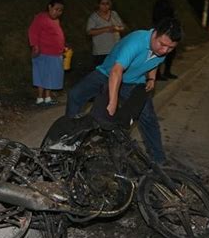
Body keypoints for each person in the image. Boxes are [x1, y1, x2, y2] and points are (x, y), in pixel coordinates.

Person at [66, 17, 183, 164]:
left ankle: (159, 161)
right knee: (75, 95)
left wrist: (151, 78)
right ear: (155, 33)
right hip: (106, 74)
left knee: (148, 118)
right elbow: (116, 71)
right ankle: (68, 141)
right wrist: (112, 101)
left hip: (134, 82)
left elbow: (154, 61)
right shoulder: (136, 41)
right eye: (163, 45)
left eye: (170, 48)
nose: (165, 50)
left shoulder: (162, 48)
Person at [28, 0, 66, 106]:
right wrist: (35, 45)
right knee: (41, 75)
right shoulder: (41, 18)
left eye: (60, 10)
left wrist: (63, 47)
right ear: (50, 7)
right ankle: (40, 97)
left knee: (51, 75)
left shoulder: (56, 21)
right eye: (56, 9)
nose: (58, 12)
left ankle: (48, 97)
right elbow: (33, 31)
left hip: (55, 54)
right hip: (43, 53)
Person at [86, 0, 126, 67]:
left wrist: (116, 28)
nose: (105, 6)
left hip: (115, 49)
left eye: (107, 3)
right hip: (101, 52)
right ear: (98, 4)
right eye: (103, 4)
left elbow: (122, 27)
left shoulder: (114, 14)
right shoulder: (94, 17)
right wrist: (106, 29)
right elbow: (89, 32)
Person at [152, 0, 178, 80]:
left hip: (169, 31)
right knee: (160, 52)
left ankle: (166, 72)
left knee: (171, 52)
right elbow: (157, 18)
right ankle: (157, 74)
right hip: (161, 31)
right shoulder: (160, 3)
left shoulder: (169, 3)